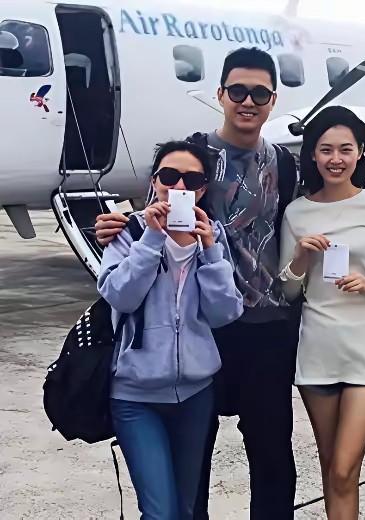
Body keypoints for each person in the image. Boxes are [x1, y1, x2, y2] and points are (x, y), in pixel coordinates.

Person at [95, 47, 300, 519]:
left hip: (267, 325)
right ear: (220, 94)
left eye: (260, 93)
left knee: (272, 450)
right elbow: (157, 204)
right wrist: (117, 225)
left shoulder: (286, 164)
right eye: (237, 91)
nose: (247, 102)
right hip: (198, 323)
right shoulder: (195, 153)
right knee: (194, 457)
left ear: (273, 100)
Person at [98, 140, 243, 519]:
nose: (179, 186)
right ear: (154, 181)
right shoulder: (128, 232)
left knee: (187, 508)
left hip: (195, 392)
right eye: (169, 176)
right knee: (160, 512)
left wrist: (210, 250)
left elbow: (225, 312)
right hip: (135, 394)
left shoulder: (213, 236)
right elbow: (120, 296)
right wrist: (151, 238)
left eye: (191, 180)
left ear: (202, 190)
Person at [278, 106, 365, 519]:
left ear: (360, 152)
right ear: (313, 155)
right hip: (318, 349)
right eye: (326, 149)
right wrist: (300, 257)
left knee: (346, 468)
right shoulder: (297, 212)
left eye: (345, 149)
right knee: (331, 468)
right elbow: (288, 289)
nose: (336, 158)